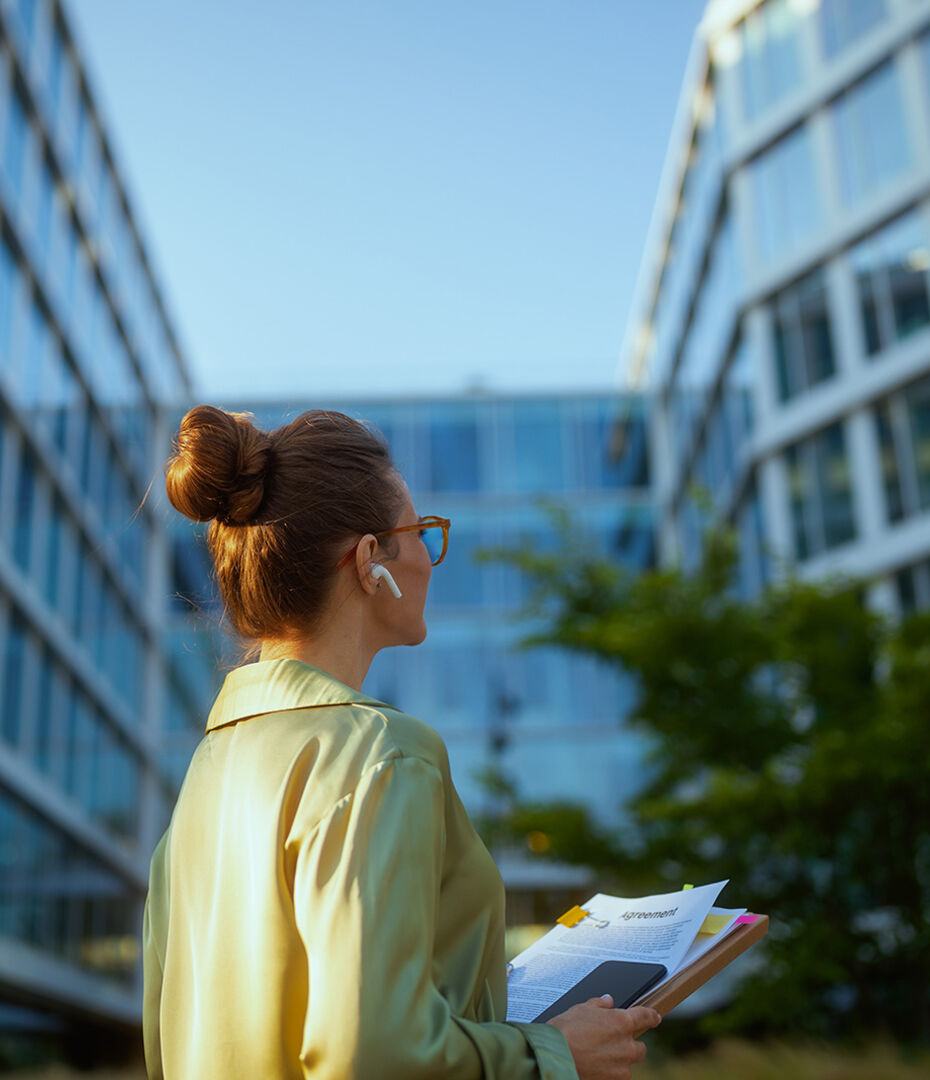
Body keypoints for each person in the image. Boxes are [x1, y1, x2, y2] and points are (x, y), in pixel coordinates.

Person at [143, 405, 661, 1079]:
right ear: (369, 561)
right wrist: (551, 1054)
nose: (427, 553)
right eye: (418, 530)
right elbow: (374, 1051)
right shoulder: (380, 753)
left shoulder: (207, 777)